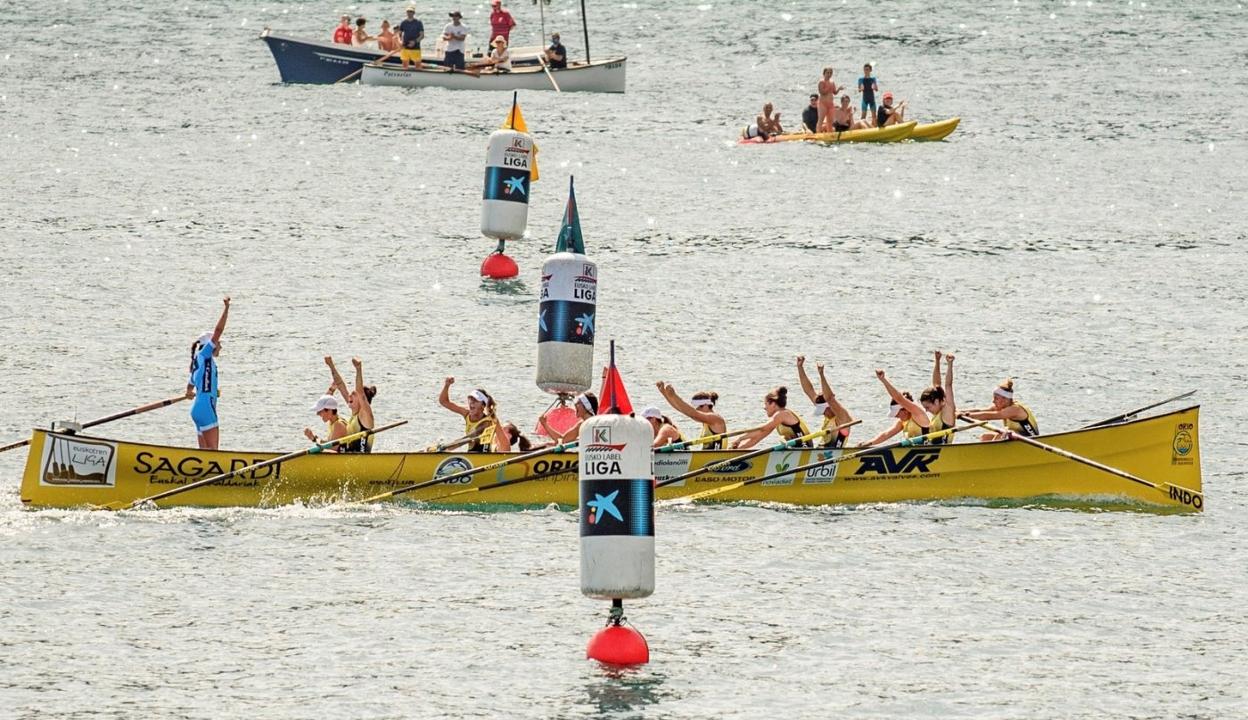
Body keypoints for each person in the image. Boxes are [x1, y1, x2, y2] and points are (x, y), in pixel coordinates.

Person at [186, 297, 230, 450]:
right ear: (211, 345)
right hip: (206, 407)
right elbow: (218, 331)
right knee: (213, 453)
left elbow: (190, 386)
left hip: (197, 409)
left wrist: (189, 393)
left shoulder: (197, 362)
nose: (220, 347)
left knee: (204, 454)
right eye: (219, 344)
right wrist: (227, 308)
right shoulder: (205, 355)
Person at [859, 369, 930, 446]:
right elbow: (886, 434)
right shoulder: (902, 422)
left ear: (905, 410)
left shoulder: (918, 414)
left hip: (927, 450)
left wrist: (883, 380)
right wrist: (869, 443)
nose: (896, 416)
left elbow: (898, 398)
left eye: (897, 413)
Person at [795, 356, 854, 448]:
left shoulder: (843, 418)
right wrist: (800, 367)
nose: (823, 414)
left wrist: (821, 375)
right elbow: (809, 390)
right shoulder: (828, 416)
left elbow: (830, 398)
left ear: (830, 406)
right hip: (820, 451)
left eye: (824, 411)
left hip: (833, 454)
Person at [439, 377, 510, 451]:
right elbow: (444, 402)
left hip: (484, 455)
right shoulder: (466, 413)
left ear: (483, 405)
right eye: (470, 399)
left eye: (475, 400)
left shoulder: (487, 422)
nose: (471, 402)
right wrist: (447, 385)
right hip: (471, 454)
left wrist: (446, 448)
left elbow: (468, 438)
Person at [324, 356, 377, 453]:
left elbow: (360, 392)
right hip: (349, 456)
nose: (349, 396)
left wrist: (358, 369)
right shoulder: (355, 413)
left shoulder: (365, 416)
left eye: (353, 394)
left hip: (361, 459)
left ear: (361, 401)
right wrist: (331, 365)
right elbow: (340, 385)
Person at [731, 387, 812, 450]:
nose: (764, 408)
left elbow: (762, 428)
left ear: (773, 404)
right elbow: (758, 437)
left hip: (804, 450)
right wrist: (738, 449)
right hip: (796, 450)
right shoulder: (777, 420)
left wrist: (740, 438)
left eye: (765, 404)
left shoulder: (782, 414)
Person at [962, 379, 1040, 441]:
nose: (993, 401)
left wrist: (966, 415)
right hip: (1017, 439)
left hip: (1030, 440)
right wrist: (959, 412)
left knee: (1003, 434)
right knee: (985, 437)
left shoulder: (1014, 409)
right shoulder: (1003, 406)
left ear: (1005, 400)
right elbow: (981, 411)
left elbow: (988, 416)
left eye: (996, 398)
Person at [655, 382, 727, 449]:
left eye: (697, 407)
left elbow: (693, 413)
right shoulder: (706, 421)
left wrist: (674, 395)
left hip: (717, 457)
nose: (696, 409)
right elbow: (682, 410)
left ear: (706, 405)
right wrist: (665, 393)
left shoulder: (715, 418)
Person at [919, 351, 957, 445]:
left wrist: (950, 364)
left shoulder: (947, 412)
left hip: (943, 451)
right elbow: (936, 384)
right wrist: (937, 361)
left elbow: (948, 385)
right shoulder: (937, 412)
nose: (926, 410)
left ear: (936, 401)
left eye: (928, 407)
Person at [816, 67, 844, 132]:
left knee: (830, 121)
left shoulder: (832, 82)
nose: (829, 74)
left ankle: (829, 133)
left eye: (830, 73)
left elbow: (834, 92)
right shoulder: (821, 82)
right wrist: (828, 87)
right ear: (824, 73)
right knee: (821, 119)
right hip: (823, 104)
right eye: (827, 73)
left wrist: (839, 89)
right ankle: (818, 133)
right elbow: (822, 92)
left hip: (830, 104)